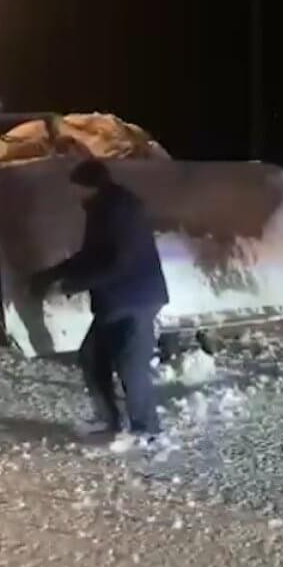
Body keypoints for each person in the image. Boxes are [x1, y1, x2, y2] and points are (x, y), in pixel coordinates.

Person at [31, 159, 169, 438]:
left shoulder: (119, 211)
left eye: (75, 189)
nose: (72, 196)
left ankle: (147, 430)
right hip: (117, 299)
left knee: (131, 367)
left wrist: (71, 284)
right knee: (93, 359)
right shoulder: (102, 208)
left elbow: (118, 262)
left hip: (135, 298)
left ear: (89, 186)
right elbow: (93, 254)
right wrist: (52, 274)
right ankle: (111, 422)